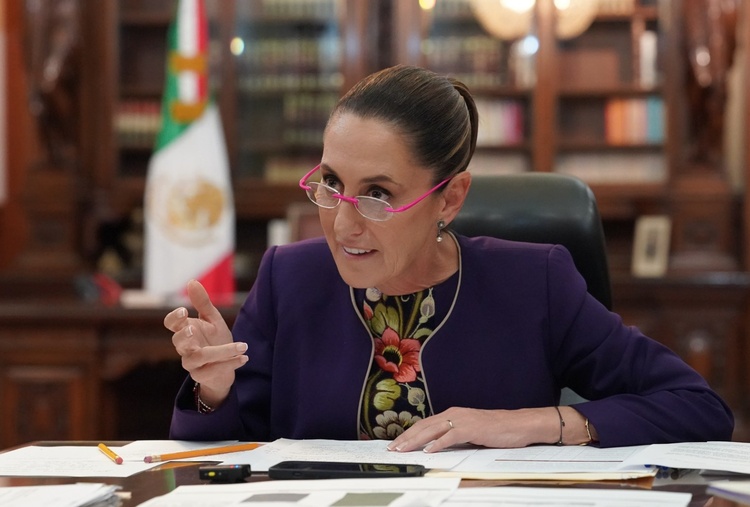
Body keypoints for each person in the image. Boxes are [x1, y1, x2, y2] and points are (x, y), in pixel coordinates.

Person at [166, 65, 733, 451]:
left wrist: (535, 424)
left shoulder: (533, 282)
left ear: (451, 198)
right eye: (332, 184)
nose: (343, 223)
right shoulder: (289, 278)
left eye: (378, 195)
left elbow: (697, 407)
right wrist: (213, 390)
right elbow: (225, 458)